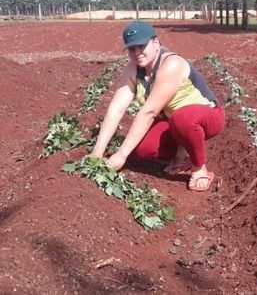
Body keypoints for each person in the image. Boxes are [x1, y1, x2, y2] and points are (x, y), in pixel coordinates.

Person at [91, 20, 225, 191]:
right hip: (173, 123)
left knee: (182, 119)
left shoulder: (171, 64)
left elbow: (149, 111)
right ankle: (183, 154)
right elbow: (116, 108)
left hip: (207, 118)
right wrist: (97, 152)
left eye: (141, 46)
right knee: (142, 149)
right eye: (132, 49)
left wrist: (121, 154)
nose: (137, 52)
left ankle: (198, 167)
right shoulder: (133, 69)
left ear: (156, 42)